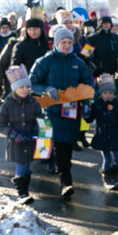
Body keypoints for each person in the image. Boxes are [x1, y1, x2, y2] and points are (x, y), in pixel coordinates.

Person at [29, 27, 93, 197]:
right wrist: (46, 89)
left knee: (67, 144)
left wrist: (86, 104)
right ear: (56, 43)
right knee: (56, 143)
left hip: (71, 111)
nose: (66, 45)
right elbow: (31, 83)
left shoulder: (78, 63)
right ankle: (65, 180)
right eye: (63, 42)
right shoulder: (45, 61)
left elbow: (87, 85)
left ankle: (63, 176)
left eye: (69, 42)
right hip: (50, 110)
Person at [0, 65, 43, 204]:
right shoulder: (7, 104)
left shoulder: (33, 103)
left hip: (30, 140)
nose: (25, 90)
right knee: (21, 166)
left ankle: (25, 191)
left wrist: (36, 131)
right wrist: (14, 134)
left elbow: (40, 120)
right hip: (16, 142)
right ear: (15, 88)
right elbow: (1, 124)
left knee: (27, 166)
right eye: (21, 87)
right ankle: (22, 193)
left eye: (27, 87)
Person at [86, 74, 118, 189]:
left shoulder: (117, 105)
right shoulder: (97, 105)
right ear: (101, 93)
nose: (108, 96)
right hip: (102, 136)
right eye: (105, 93)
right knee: (107, 159)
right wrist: (85, 113)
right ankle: (107, 176)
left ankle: (115, 175)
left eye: (110, 93)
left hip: (115, 135)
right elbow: (90, 118)